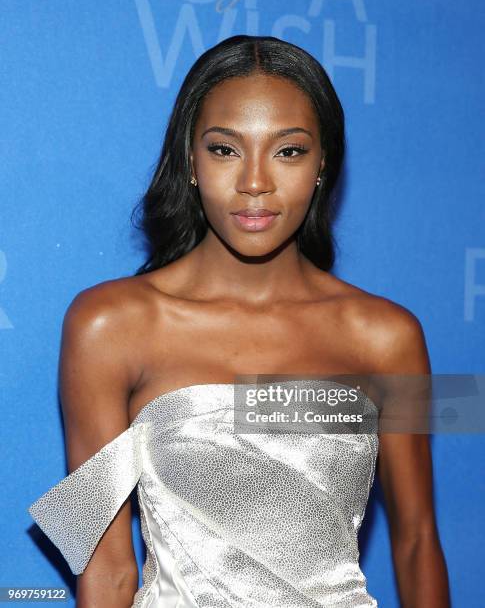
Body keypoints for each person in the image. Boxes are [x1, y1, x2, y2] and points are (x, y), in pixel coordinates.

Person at [28, 35, 450, 607]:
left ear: (324, 163)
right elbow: (106, 571)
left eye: (289, 151)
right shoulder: (108, 324)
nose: (255, 182)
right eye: (225, 149)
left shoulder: (388, 336)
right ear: (190, 160)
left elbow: (418, 539)